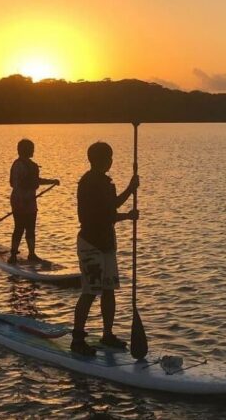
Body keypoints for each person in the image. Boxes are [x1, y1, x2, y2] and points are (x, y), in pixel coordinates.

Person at [71, 141, 139, 356]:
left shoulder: (106, 182)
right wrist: (127, 216)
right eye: (107, 157)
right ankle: (77, 339)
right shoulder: (89, 182)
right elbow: (103, 214)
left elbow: (112, 206)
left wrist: (130, 189)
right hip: (91, 243)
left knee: (108, 290)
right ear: (97, 160)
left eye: (111, 157)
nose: (110, 161)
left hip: (107, 243)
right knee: (90, 292)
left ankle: (107, 334)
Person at [8, 139, 59, 265]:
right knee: (19, 228)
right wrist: (21, 201)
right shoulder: (17, 166)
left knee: (31, 228)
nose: (33, 151)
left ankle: (32, 254)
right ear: (23, 150)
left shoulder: (33, 165)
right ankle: (13, 254)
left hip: (30, 202)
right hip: (19, 201)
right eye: (31, 148)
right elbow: (14, 184)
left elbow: (36, 181)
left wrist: (52, 181)